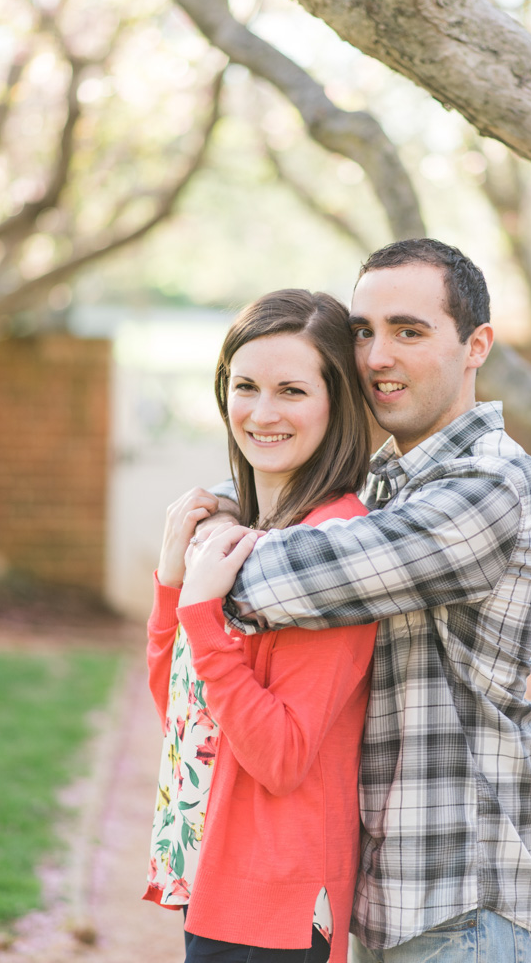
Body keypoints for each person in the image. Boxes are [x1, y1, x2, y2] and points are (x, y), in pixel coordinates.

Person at [202, 239, 531, 962]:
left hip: (467, 907)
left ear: (475, 345)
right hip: (388, 908)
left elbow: (287, 576)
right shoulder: (382, 487)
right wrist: (218, 514)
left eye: (408, 330)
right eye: (361, 331)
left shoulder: (488, 485)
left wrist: (207, 546)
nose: (374, 357)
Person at [144, 288, 378, 963]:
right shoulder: (257, 534)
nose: (263, 412)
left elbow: (280, 756)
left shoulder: (332, 546)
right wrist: (171, 585)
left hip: (277, 901)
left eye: (292, 391)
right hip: (224, 883)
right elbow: (184, 717)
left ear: (336, 402)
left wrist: (199, 612)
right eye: (245, 386)